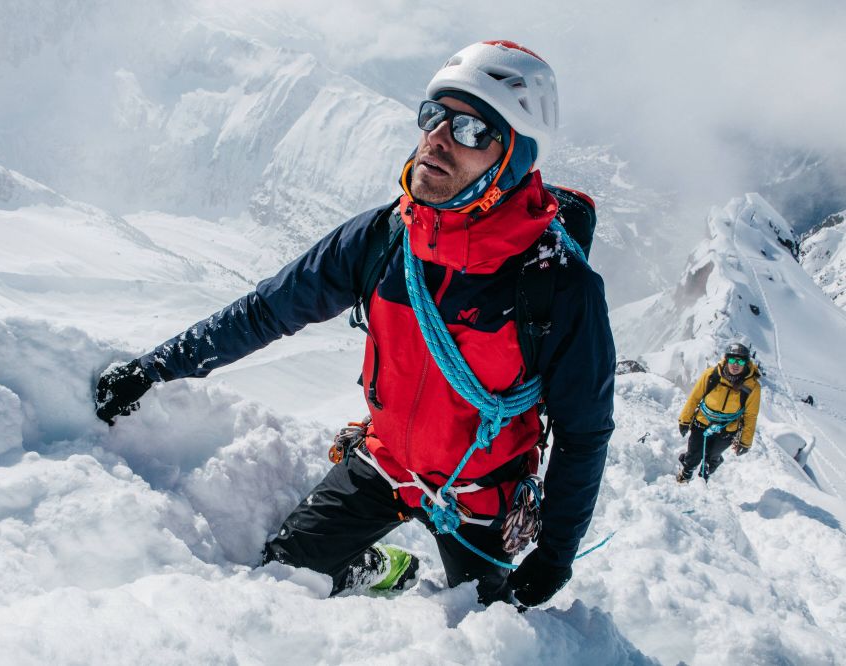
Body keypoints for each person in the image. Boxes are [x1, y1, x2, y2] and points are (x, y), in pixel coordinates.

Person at [94, 40, 615, 609]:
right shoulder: (385, 238)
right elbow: (269, 309)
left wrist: (557, 553)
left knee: (485, 624)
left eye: (471, 130)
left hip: (480, 496)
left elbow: (583, 431)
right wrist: (157, 368)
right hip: (386, 461)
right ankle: (381, 569)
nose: (438, 138)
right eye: (434, 116)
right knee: (286, 578)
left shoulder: (558, 286)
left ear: (512, 159)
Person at [676, 342, 761, 483]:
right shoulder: (712, 375)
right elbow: (695, 398)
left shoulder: (752, 387)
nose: (736, 364)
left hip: (727, 429)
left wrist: (745, 442)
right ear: (727, 360)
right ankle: (686, 474)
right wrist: (684, 420)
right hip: (702, 422)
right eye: (732, 360)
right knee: (694, 454)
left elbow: (750, 415)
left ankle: (704, 476)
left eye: (740, 361)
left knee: (711, 456)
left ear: (746, 363)